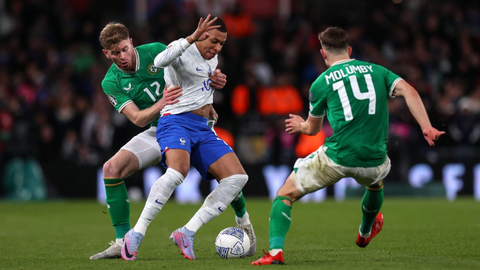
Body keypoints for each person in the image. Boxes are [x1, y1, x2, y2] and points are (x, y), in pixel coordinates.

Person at [251, 26, 445, 265]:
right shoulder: (378, 71)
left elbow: (312, 129)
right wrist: (427, 127)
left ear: (323, 54)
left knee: (284, 195)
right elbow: (410, 91)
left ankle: (275, 252)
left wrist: (300, 125)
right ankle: (364, 232)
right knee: (375, 184)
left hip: (338, 158)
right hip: (375, 160)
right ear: (350, 50)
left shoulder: (320, 83)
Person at [90, 21, 232, 260]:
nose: (122, 56)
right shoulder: (111, 82)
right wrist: (162, 103)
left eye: (125, 49)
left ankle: (243, 223)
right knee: (111, 169)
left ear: (131, 42)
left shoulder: (156, 50)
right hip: (158, 129)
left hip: (187, 122)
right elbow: (136, 118)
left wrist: (214, 78)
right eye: (115, 53)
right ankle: (122, 240)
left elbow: (194, 65)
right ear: (106, 53)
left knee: (230, 176)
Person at [121, 15, 256, 261]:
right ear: (201, 34)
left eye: (222, 44)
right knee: (177, 173)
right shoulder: (180, 47)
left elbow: (200, 84)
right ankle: (136, 233)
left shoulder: (211, 56)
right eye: (214, 41)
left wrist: (215, 83)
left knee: (237, 178)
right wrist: (190, 38)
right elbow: (161, 61)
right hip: (175, 122)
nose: (217, 48)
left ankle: (187, 232)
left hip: (203, 127)